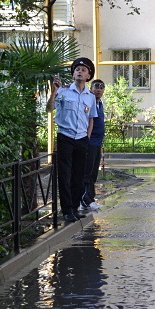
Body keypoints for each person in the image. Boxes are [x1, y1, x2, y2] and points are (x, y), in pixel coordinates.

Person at [47, 57, 98, 222]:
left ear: (88, 75)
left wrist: (87, 137)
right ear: (73, 73)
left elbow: (91, 119)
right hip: (66, 136)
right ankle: (67, 210)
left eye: (83, 70)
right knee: (65, 174)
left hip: (82, 139)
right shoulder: (63, 90)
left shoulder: (90, 96)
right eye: (77, 69)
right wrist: (54, 91)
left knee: (78, 175)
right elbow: (49, 109)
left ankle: (75, 208)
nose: (79, 72)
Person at [81, 79, 106, 210]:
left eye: (101, 87)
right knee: (88, 172)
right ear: (91, 89)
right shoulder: (89, 101)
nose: (99, 89)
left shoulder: (99, 103)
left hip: (97, 143)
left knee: (94, 173)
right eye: (96, 87)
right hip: (89, 142)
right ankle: (85, 199)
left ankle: (90, 199)